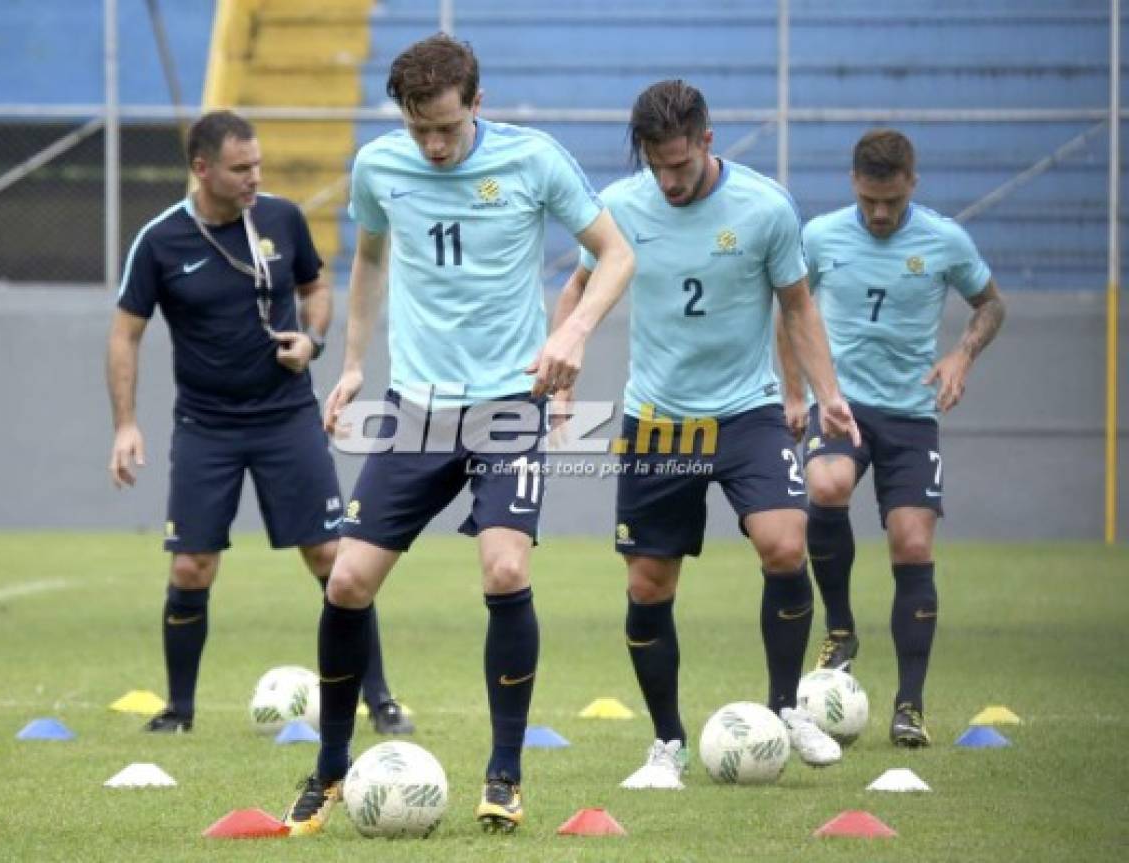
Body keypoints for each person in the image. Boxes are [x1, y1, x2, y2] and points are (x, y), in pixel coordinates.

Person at [279, 34, 634, 836]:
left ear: (477, 102)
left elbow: (617, 255)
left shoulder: (534, 160)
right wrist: (354, 363)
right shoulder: (379, 167)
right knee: (346, 582)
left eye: (445, 127)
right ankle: (329, 769)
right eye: (419, 130)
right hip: (416, 407)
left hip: (510, 401)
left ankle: (504, 774)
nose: (433, 146)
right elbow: (370, 260)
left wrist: (573, 331)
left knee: (505, 569)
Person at [551, 80, 860, 791]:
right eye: (655, 165)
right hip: (659, 420)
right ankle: (667, 743)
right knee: (647, 583)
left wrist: (828, 394)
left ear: (707, 142)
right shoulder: (620, 207)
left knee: (785, 543)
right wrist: (563, 372)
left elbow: (797, 306)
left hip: (747, 412)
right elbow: (578, 288)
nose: (668, 180)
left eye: (680, 164)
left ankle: (786, 709)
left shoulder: (765, 207)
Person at [106, 110, 413, 737]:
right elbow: (124, 334)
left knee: (333, 559)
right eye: (240, 168)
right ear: (202, 169)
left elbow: (316, 289)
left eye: (258, 165)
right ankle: (179, 710)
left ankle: (379, 699)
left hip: (286, 419)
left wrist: (312, 340)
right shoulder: (161, 240)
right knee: (191, 567)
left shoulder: (282, 218)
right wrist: (126, 423)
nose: (255, 177)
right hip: (205, 426)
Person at [788, 128, 1005, 747]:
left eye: (891, 201)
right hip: (842, 403)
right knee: (826, 484)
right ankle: (840, 628)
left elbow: (991, 304)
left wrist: (962, 354)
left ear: (912, 183)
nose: (880, 214)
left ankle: (910, 705)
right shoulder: (821, 236)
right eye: (869, 201)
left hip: (911, 415)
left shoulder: (944, 239)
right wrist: (798, 393)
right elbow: (790, 308)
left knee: (912, 543)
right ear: (853, 184)